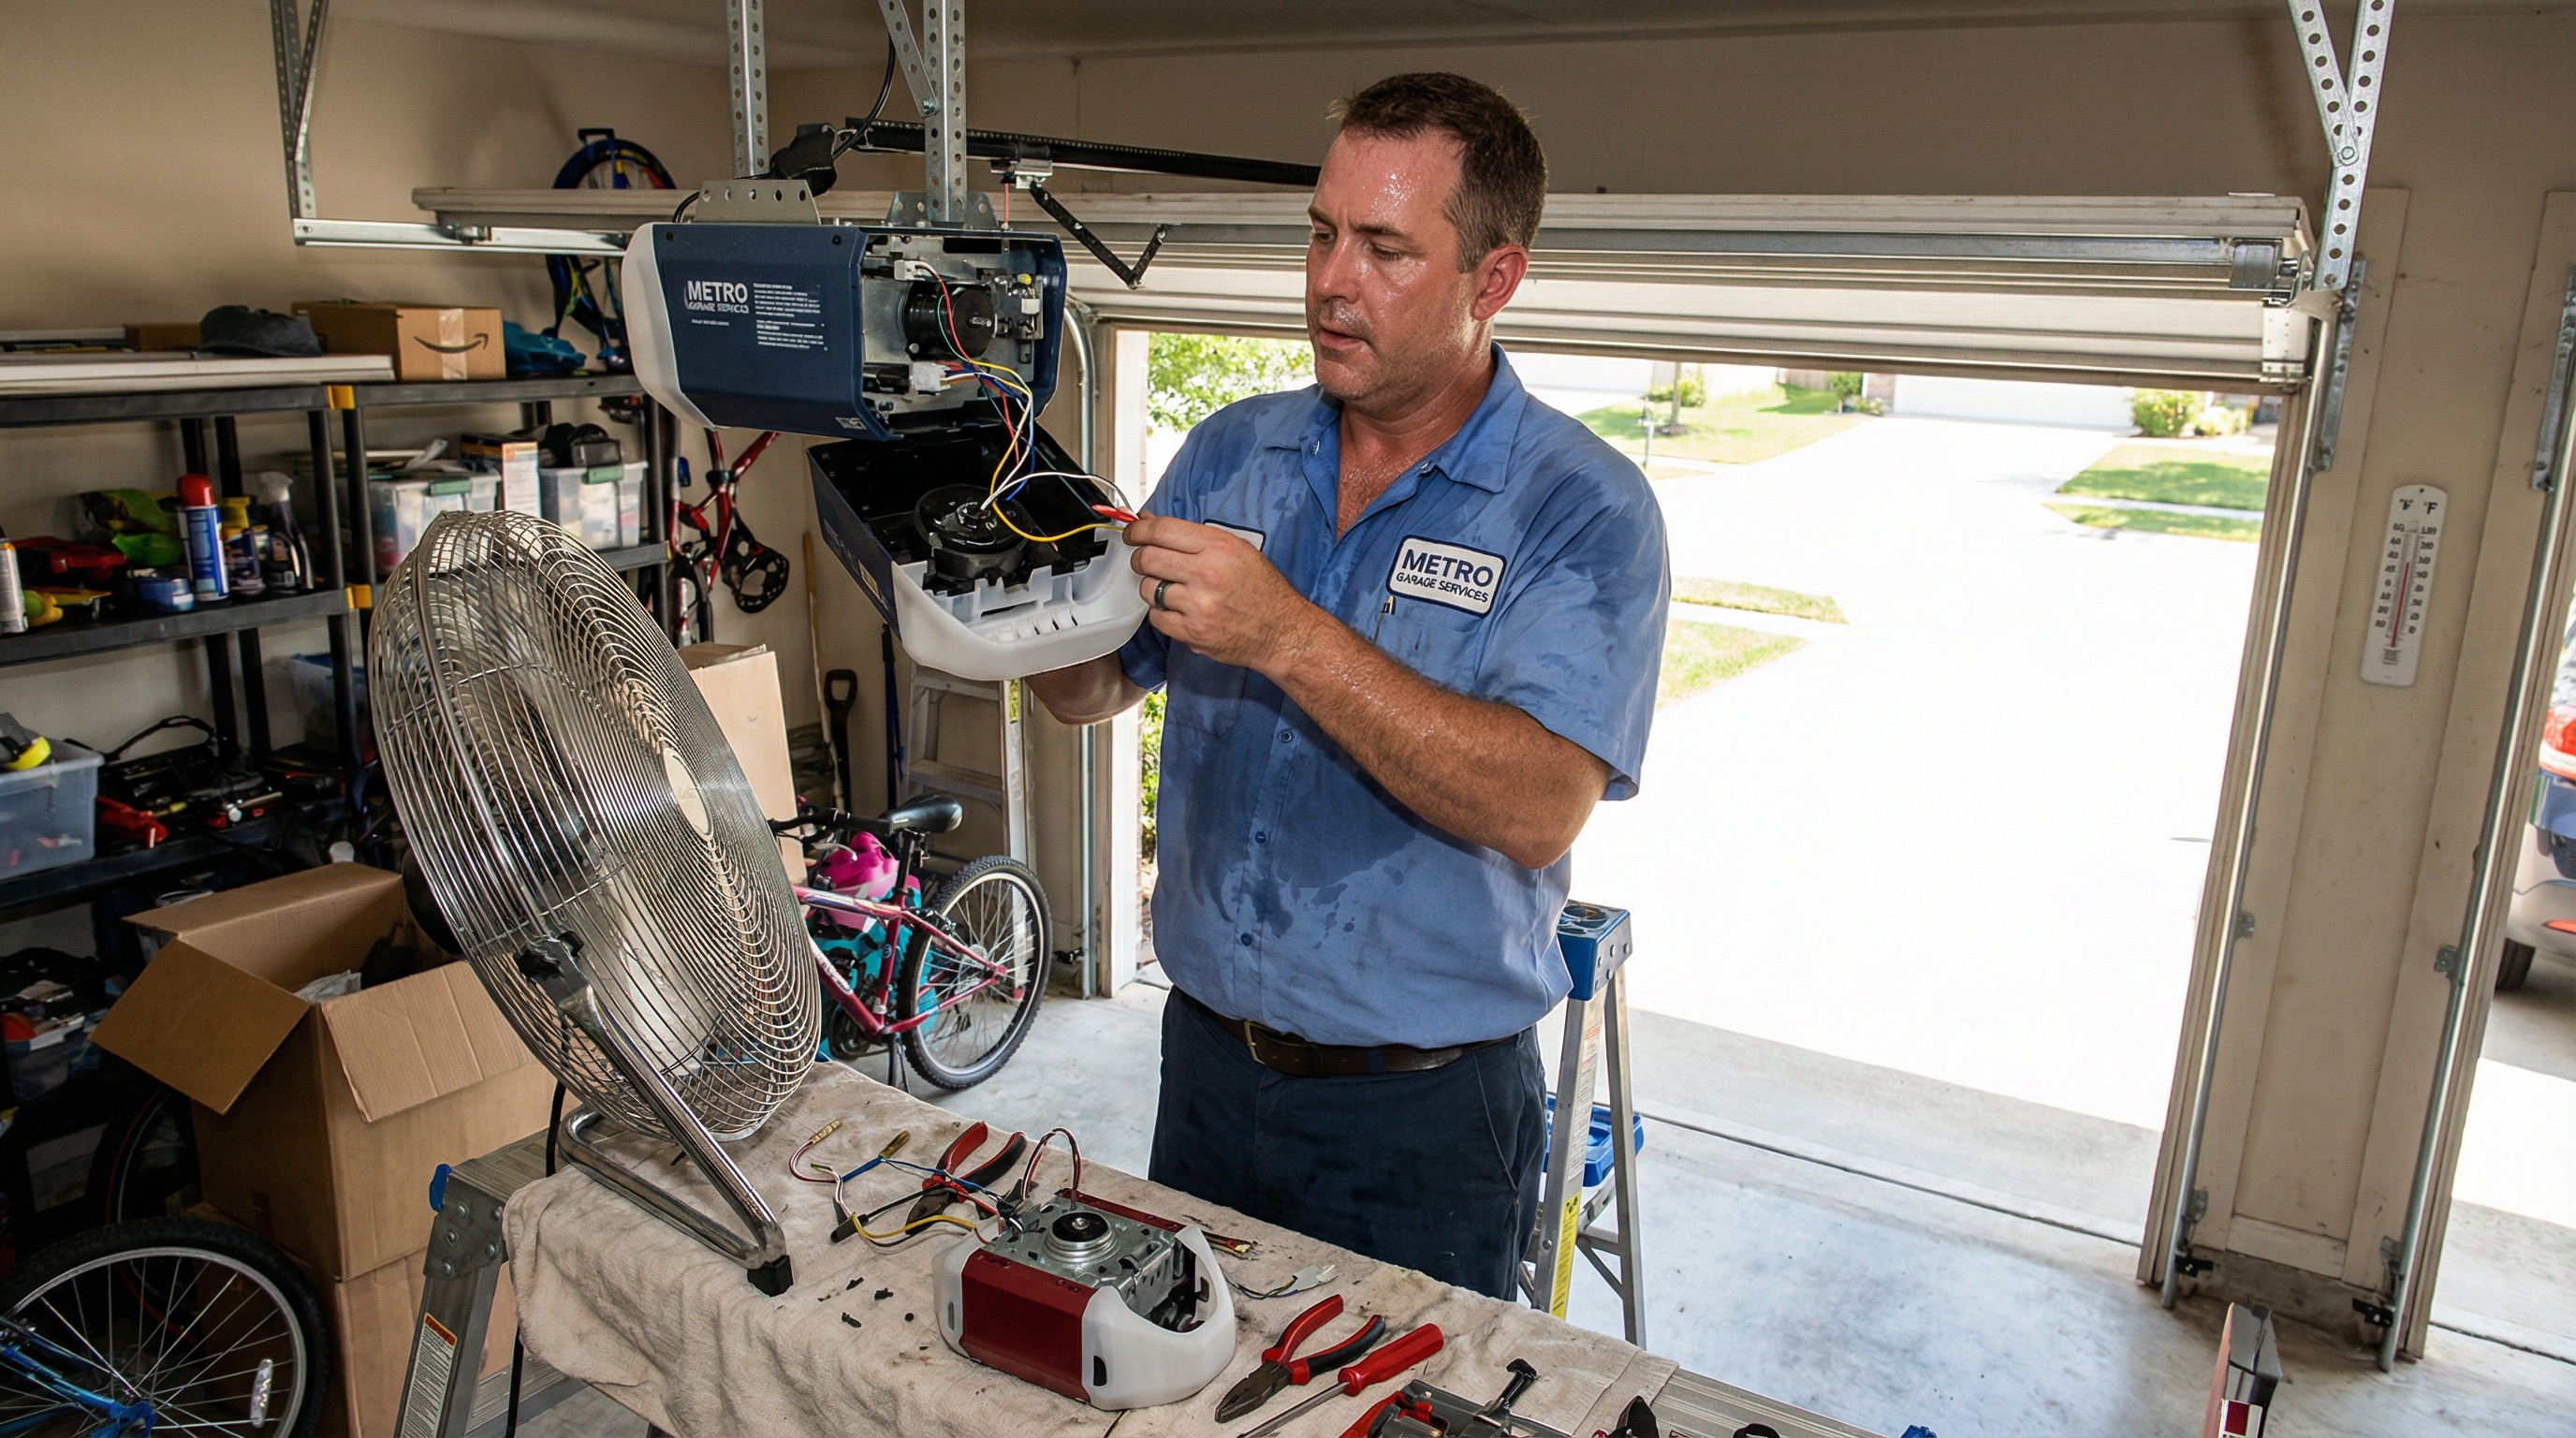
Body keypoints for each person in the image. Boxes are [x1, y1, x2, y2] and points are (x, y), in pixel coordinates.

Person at [1025, 72, 1669, 1299]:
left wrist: (1287, 637)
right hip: (1206, 1072)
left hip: (1423, 1121)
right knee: (1181, 1375)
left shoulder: (1582, 507)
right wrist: (996, 610)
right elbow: (1095, 687)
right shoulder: (1232, 451)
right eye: (1321, 233)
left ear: (1493, 278)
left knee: (1396, 1396)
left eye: (1385, 248)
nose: (1331, 280)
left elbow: (1540, 805)